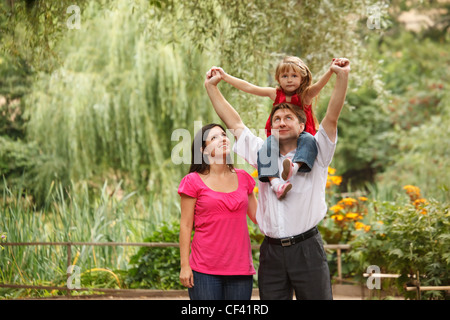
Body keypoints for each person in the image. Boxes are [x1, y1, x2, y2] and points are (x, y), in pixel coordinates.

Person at [204, 58, 350, 300]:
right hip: (271, 253)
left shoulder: (317, 152)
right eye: (277, 119)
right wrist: (212, 87)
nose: (281, 122)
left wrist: (341, 76)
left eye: (288, 118)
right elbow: (235, 123)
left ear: (302, 125)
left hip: (307, 251)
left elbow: (332, 117)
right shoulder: (262, 152)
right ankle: (277, 180)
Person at [210, 57, 334, 200]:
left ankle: (295, 167)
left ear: (302, 78)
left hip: (301, 136)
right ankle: (276, 184)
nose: (289, 80)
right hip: (278, 135)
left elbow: (318, 86)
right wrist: (225, 77)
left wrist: (331, 71)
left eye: (294, 76)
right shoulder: (275, 94)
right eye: (284, 76)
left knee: (309, 140)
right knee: (265, 149)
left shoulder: (305, 96)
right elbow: (249, 87)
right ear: (278, 78)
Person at [178, 123, 258, 300]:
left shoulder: (244, 178)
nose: (222, 138)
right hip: (204, 270)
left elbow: (259, 217)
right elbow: (185, 226)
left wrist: (274, 184)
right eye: (214, 138)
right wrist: (185, 266)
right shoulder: (192, 181)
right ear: (203, 150)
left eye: (223, 135)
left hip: (241, 269)